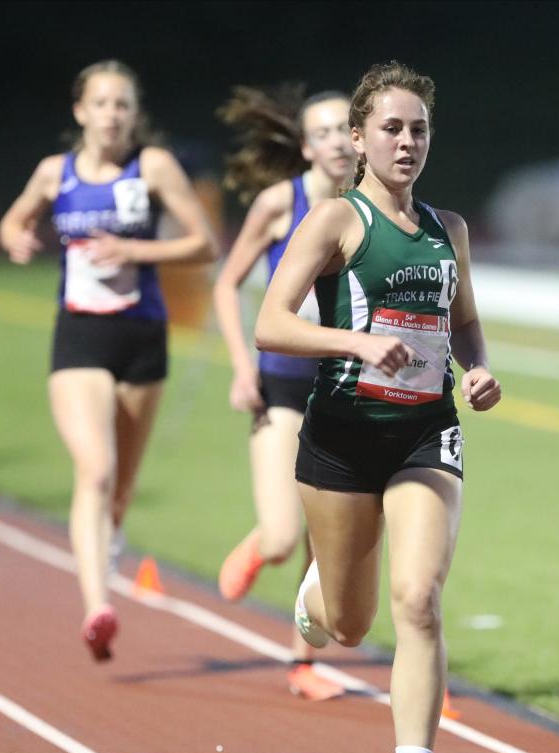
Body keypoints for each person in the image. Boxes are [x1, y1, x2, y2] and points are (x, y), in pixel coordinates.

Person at [255, 61, 501, 753]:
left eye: (419, 129)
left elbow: (462, 320)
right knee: (351, 625)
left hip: (426, 430)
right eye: (392, 128)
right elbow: (272, 323)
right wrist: (357, 341)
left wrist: (479, 366)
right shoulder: (334, 222)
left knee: (419, 598)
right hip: (339, 435)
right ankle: (318, 594)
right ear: (359, 139)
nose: (407, 142)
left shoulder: (447, 229)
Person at [0, 59, 217, 662]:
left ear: (134, 113)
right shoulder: (55, 172)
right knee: (94, 470)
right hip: (80, 338)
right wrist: (16, 235)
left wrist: (133, 247)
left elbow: (204, 243)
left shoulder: (153, 167)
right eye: (101, 103)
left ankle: (109, 540)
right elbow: (13, 219)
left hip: (143, 336)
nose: (112, 114)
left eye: (122, 104)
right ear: (81, 112)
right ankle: (98, 605)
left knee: (118, 490)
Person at [214, 84, 355, 701]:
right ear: (305, 147)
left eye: (344, 128)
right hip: (281, 388)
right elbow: (227, 285)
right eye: (321, 132)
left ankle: (302, 663)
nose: (335, 141)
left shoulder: (371, 207)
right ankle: (257, 545)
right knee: (281, 536)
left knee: (327, 538)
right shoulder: (280, 202)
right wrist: (242, 366)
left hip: (347, 392)